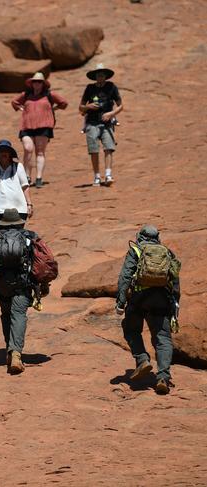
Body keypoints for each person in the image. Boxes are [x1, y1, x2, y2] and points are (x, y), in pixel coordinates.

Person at [116, 225, 181, 395]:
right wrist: (175, 306)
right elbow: (175, 281)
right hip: (162, 299)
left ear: (140, 236)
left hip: (139, 298)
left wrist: (121, 302)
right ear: (157, 237)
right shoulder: (167, 252)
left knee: (131, 329)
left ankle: (142, 359)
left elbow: (125, 276)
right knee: (163, 338)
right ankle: (163, 378)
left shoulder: (136, 251)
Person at [0, 208, 42, 375]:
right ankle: (16, 354)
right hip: (23, 282)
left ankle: (9, 350)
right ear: (20, 223)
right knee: (18, 315)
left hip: (2, 283)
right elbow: (40, 262)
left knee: (6, 315)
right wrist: (42, 286)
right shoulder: (30, 236)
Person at [11, 72, 68, 188]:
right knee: (28, 149)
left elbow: (64, 103)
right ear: (31, 84)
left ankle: (38, 178)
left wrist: (53, 109)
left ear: (43, 84)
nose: (36, 84)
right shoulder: (26, 94)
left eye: (39, 82)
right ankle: (27, 176)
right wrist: (22, 109)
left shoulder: (49, 94)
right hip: (27, 126)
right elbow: (14, 102)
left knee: (40, 152)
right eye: (34, 82)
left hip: (44, 125)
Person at [79, 63, 123, 187]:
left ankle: (108, 174)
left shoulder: (111, 87)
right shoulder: (89, 88)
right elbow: (81, 107)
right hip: (92, 122)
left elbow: (121, 105)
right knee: (94, 150)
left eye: (102, 75)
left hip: (107, 123)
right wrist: (88, 106)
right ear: (95, 76)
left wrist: (111, 114)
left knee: (108, 147)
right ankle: (97, 176)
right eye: (98, 75)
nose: (100, 77)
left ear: (105, 76)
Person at [0, 140, 33, 233]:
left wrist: (29, 204)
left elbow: (25, 187)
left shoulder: (18, 167)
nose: (4, 153)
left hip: (18, 210)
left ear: (10, 153)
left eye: (6, 151)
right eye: (1, 151)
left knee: (17, 239)